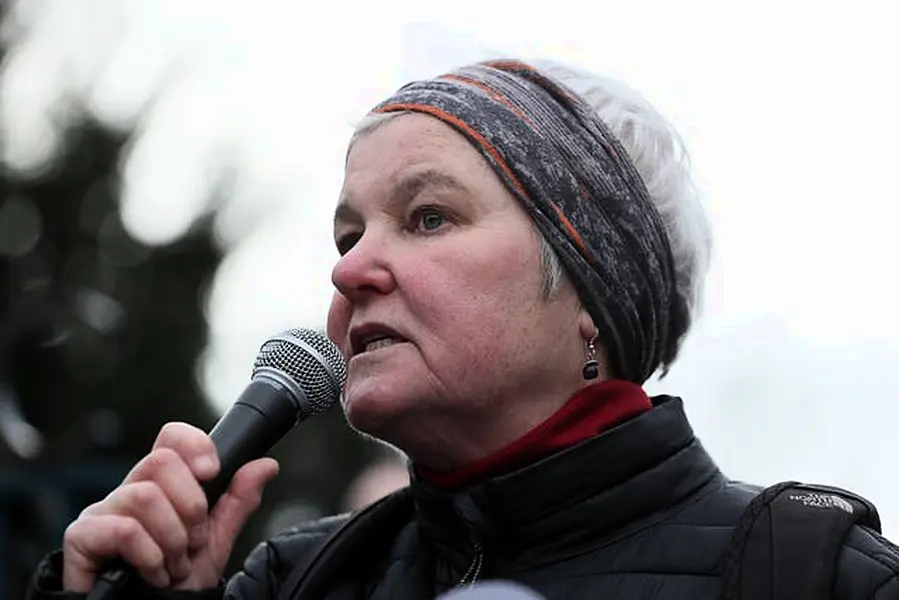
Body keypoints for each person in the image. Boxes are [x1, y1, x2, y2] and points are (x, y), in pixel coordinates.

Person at [26, 58, 899, 599]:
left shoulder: (821, 576)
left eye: (428, 217)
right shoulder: (295, 581)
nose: (349, 269)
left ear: (593, 289)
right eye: (346, 234)